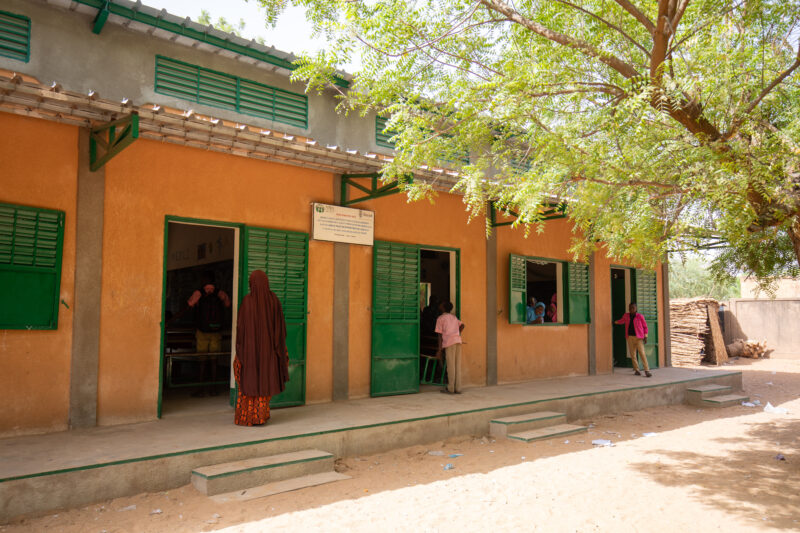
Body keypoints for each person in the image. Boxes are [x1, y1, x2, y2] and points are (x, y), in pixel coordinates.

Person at [233, 270, 290, 426]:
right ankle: (260, 416)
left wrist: (241, 351)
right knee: (264, 381)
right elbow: (281, 330)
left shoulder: (247, 302)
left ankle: (247, 417)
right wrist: (276, 350)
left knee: (248, 381)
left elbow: (240, 330)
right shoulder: (274, 301)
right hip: (269, 354)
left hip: (249, 353)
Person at [187, 271, 231, 396]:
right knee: (214, 360)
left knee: (202, 360)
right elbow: (228, 305)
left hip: (202, 331)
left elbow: (190, 304)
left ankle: (200, 388)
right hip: (216, 332)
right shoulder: (220, 293)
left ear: (203, 280)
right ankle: (214, 388)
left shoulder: (198, 293)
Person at [614, 302, 652, 377]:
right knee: (633, 354)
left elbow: (645, 327)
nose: (631, 309)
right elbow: (622, 321)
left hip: (639, 338)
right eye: (630, 308)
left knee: (642, 353)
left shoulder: (640, 316)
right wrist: (615, 322)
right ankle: (636, 370)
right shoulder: (626, 315)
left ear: (636, 308)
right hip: (630, 337)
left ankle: (647, 370)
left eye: (633, 308)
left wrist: (646, 336)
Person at [435, 301, 465, 394]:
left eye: (441, 304)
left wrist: (439, 350)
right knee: (457, 365)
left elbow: (439, 335)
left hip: (449, 343)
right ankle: (458, 388)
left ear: (443, 307)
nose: (439, 305)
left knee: (450, 366)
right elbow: (463, 325)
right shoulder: (454, 317)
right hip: (457, 341)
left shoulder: (440, 318)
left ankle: (451, 388)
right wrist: (457, 333)